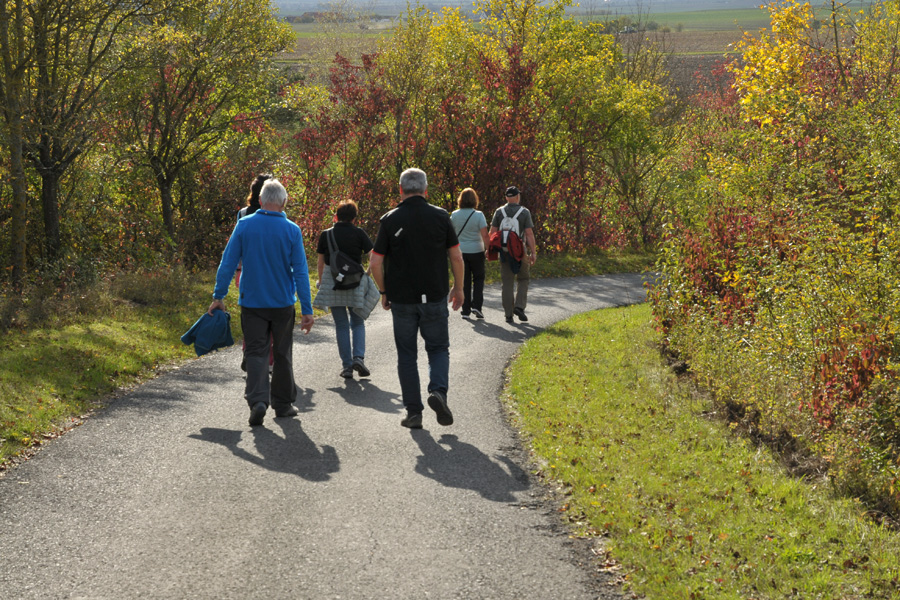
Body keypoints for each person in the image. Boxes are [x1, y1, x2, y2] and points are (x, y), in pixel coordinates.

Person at [208, 178, 315, 427]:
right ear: (284, 202)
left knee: (256, 351)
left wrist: (218, 296)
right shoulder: (292, 230)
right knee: (282, 353)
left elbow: (227, 262)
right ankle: (283, 405)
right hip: (282, 303)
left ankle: (258, 401)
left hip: (252, 302)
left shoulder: (244, 225)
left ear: (260, 201)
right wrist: (307, 310)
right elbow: (300, 271)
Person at [369, 168, 465, 429]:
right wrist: (459, 288)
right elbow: (456, 256)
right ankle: (438, 392)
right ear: (425, 190)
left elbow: (375, 261)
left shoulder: (389, 220)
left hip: (402, 299)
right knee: (437, 348)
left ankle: (414, 413)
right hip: (434, 296)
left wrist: (384, 291)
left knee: (407, 355)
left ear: (400, 190)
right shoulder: (441, 217)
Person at [315, 200, 375, 379]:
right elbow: (373, 256)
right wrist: (367, 274)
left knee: (341, 325)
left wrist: (321, 281)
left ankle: (347, 367)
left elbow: (320, 261)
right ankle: (358, 357)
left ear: (336, 216)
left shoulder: (326, 235)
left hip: (333, 283)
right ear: (354, 218)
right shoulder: (359, 233)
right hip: (355, 282)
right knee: (357, 322)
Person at [235, 173, 273, 371]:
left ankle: (248, 351)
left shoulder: (243, 214)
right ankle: (267, 359)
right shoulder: (275, 212)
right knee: (271, 316)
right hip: (270, 272)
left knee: (249, 316)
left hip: (247, 272)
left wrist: (237, 270)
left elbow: (237, 245)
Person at [489, 186, 537, 323]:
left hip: (504, 251)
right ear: (517, 197)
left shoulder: (499, 212)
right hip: (520, 250)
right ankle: (520, 307)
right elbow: (529, 233)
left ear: (506, 198)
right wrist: (533, 252)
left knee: (507, 282)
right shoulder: (524, 212)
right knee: (523, 278)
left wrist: (489, 249)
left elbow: (492, 233)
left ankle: (508, 314)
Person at [449, 188, 489, 320]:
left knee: (464, 280)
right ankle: (477, 306)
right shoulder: (479, 215)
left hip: (460, 252)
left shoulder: (454, 215)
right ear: (474, 200)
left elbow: (450, 235)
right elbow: (484, 235)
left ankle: (465, 310)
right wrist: (488, 249)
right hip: (477, 251)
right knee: (478, 279)